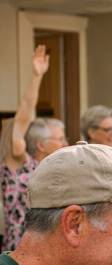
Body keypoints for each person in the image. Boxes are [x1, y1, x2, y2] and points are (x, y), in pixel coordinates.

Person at [2, 45, 69, 252]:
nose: (65, 143)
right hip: (19, 252)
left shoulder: (53, 169)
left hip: (47, 251)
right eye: (60, 139)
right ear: (41, 144)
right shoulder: (20, 165)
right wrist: (37, 76)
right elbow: (24, 117)